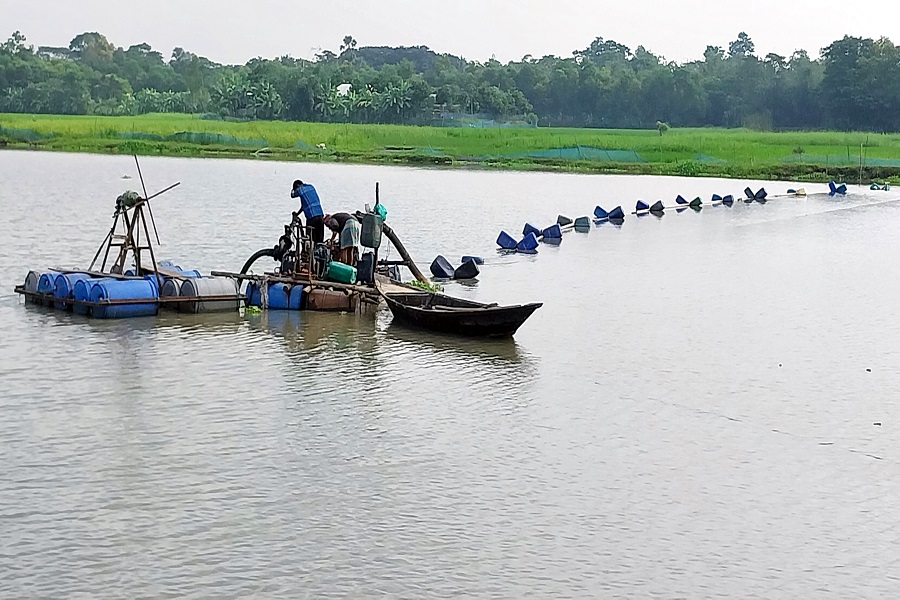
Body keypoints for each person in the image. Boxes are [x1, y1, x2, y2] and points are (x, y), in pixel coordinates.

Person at [290, 180, 324, 244]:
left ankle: (308, 252)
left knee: (309, 238)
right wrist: (297, 214)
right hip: (320, 215)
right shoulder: (311, 186)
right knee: (319, 238)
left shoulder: (300, 189)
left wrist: (292, 190)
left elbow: (292, 195)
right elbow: (304, 207)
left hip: (311, 216)